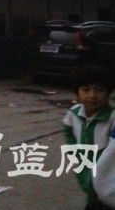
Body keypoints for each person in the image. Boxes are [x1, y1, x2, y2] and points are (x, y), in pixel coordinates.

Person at [63, 66, 115, 210]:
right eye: (86, 90)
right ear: (77, 93)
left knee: (104, 194)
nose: (92, 95)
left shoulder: (112, 117)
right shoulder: (73, 113)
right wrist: (73, 152)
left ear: (108, 93)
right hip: (84, 161)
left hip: (105, 164)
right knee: (89, 189)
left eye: (99, 90)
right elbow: (67, 129)